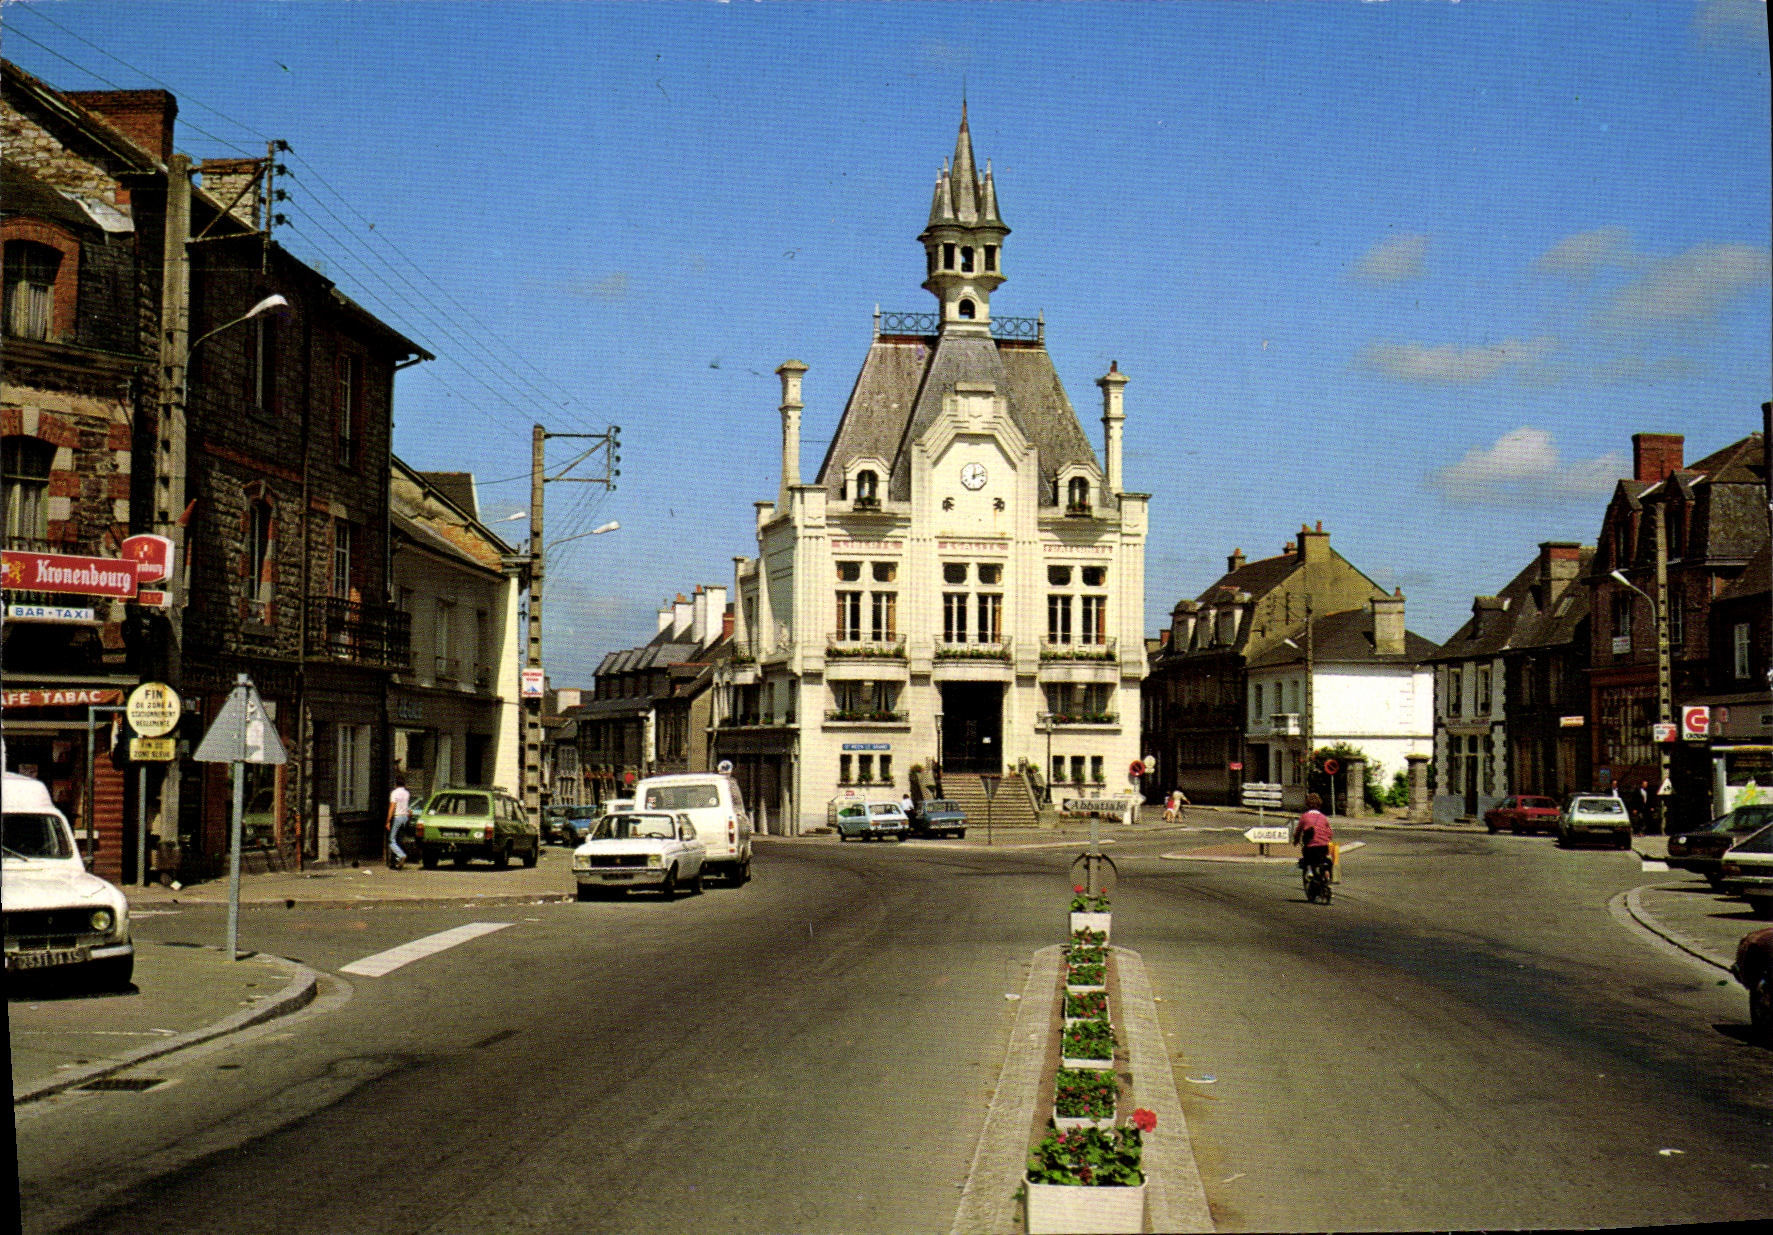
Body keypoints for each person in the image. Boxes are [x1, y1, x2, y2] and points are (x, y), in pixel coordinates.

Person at [1294, 792, 1333, 875]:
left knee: (1307, 858)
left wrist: (1296, 840)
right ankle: (1327, 876)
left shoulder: (1304, 816)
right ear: (1319, 804)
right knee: (1325, 859)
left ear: (1307, 804)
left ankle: (1309, 871)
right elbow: (1330, 833)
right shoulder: (1323, 817)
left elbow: (1298, 831)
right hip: (1323, 846)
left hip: (1311, 847)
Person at [386, 774, 411, 870]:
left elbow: (392, 807)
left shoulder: (394, 793)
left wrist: (388, 820)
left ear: (396, 784)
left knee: (392, 840)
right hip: (405, 818)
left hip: (397, 817)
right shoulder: (406, 793)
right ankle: (394, 862)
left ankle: (401, 855)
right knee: (399, 839)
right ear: (404, 784)